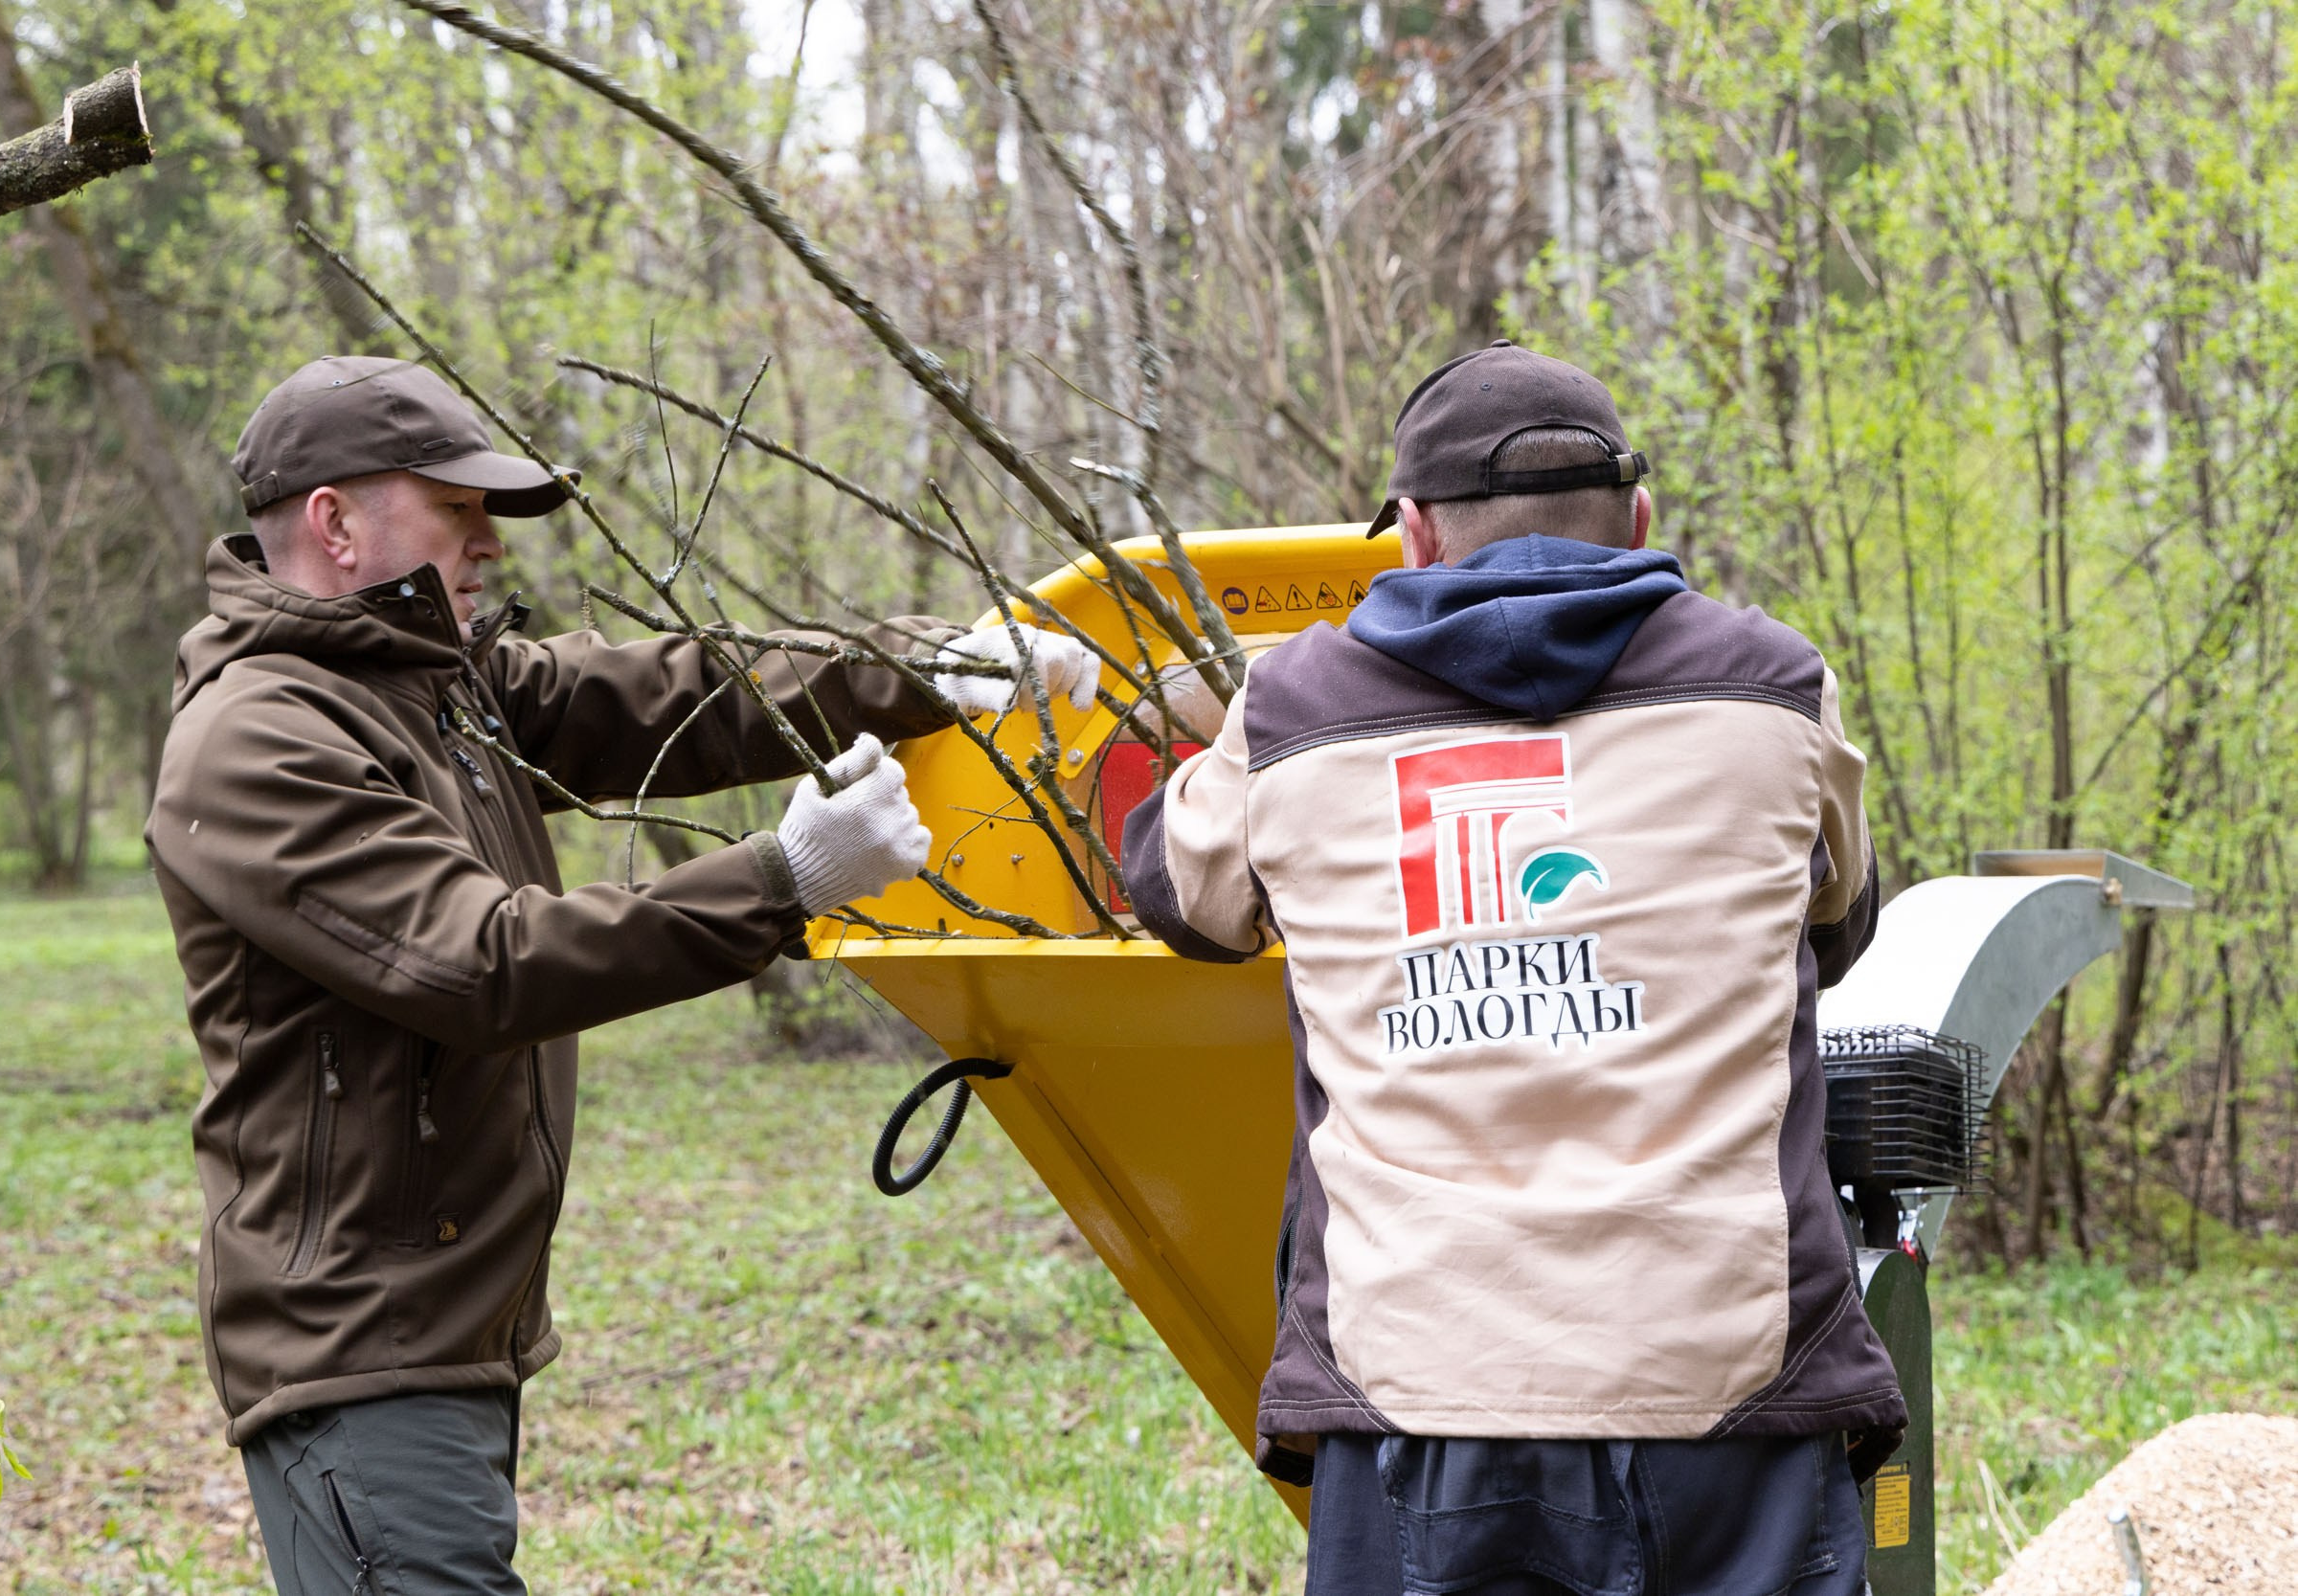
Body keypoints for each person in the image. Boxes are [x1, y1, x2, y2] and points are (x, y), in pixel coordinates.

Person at [145, 355, 1098, 1595]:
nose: (489, 542)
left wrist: (934, 668)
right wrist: (783, 879)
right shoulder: (258, 739)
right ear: (335, 523)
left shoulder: (445, 687)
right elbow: (486, 962)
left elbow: (675, 695)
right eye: (460, 508)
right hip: (357, 1347)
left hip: (440, 1329)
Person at [1121, 341, 1900, 1594]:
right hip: (1729, 1384)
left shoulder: (1298, 713)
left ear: (1416, 537)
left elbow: (1183, 899)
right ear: (1641, 520)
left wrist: (1231, 729)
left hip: (1427, 1391)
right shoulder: (1774, 689)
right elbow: (1841, 919)